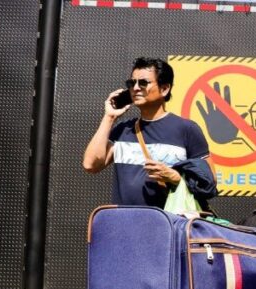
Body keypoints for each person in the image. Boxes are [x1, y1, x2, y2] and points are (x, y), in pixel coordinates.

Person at [82, 57, 213, 207]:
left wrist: (175, 177)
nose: (136, 88)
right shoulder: (123, 130)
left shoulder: (187, 129)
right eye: (132, 83)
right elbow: (90, 164)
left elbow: (209, 182)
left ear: (164, 89)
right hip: (126, 223)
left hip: (170, 225)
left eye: (143, 83)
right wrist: (109, 117)